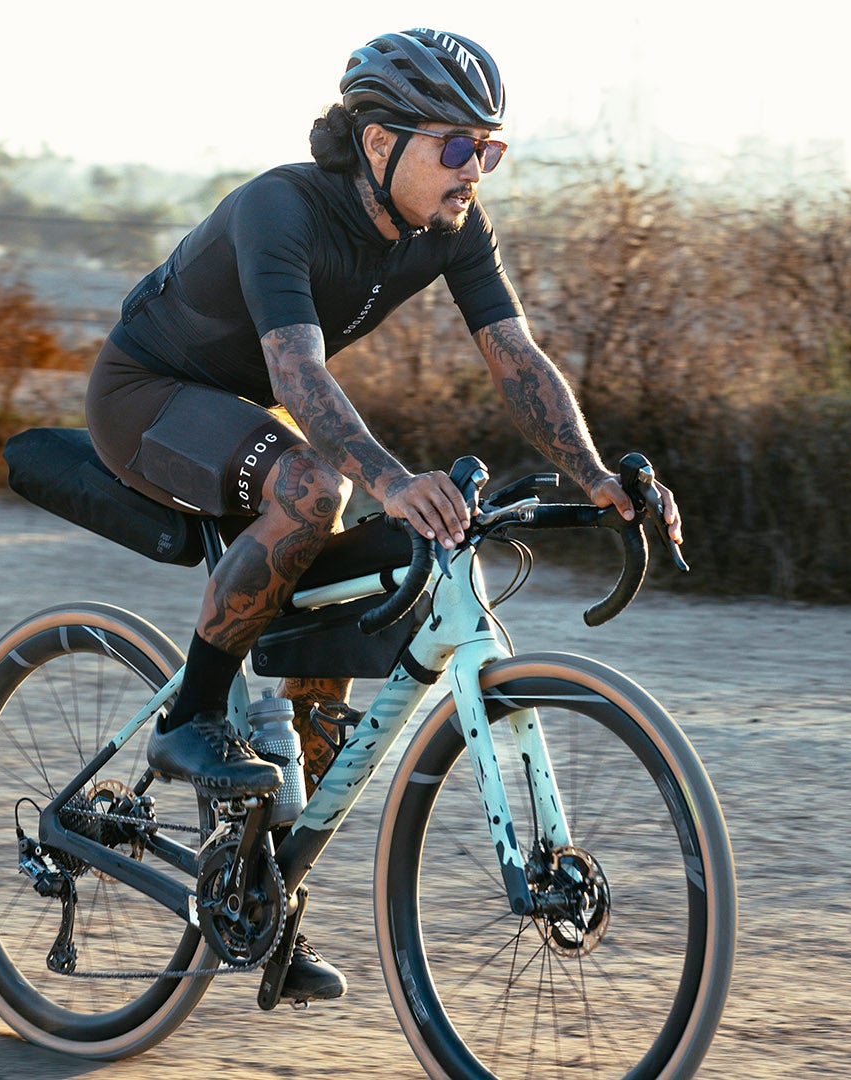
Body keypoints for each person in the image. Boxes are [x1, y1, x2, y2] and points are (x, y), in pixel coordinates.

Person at [83, 28, 683, 1001]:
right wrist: (398, 477)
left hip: (240, 416)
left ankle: (261, 902)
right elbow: (297, 373)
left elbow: (515, 358)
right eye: (456, 147)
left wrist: (599, 474)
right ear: (378, 143)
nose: (475, 171)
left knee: (341, 640)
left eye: (492, 150)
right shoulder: (282, 207)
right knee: (318, 487)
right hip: (145, 396)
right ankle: (189, 714)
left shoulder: (454, 226)